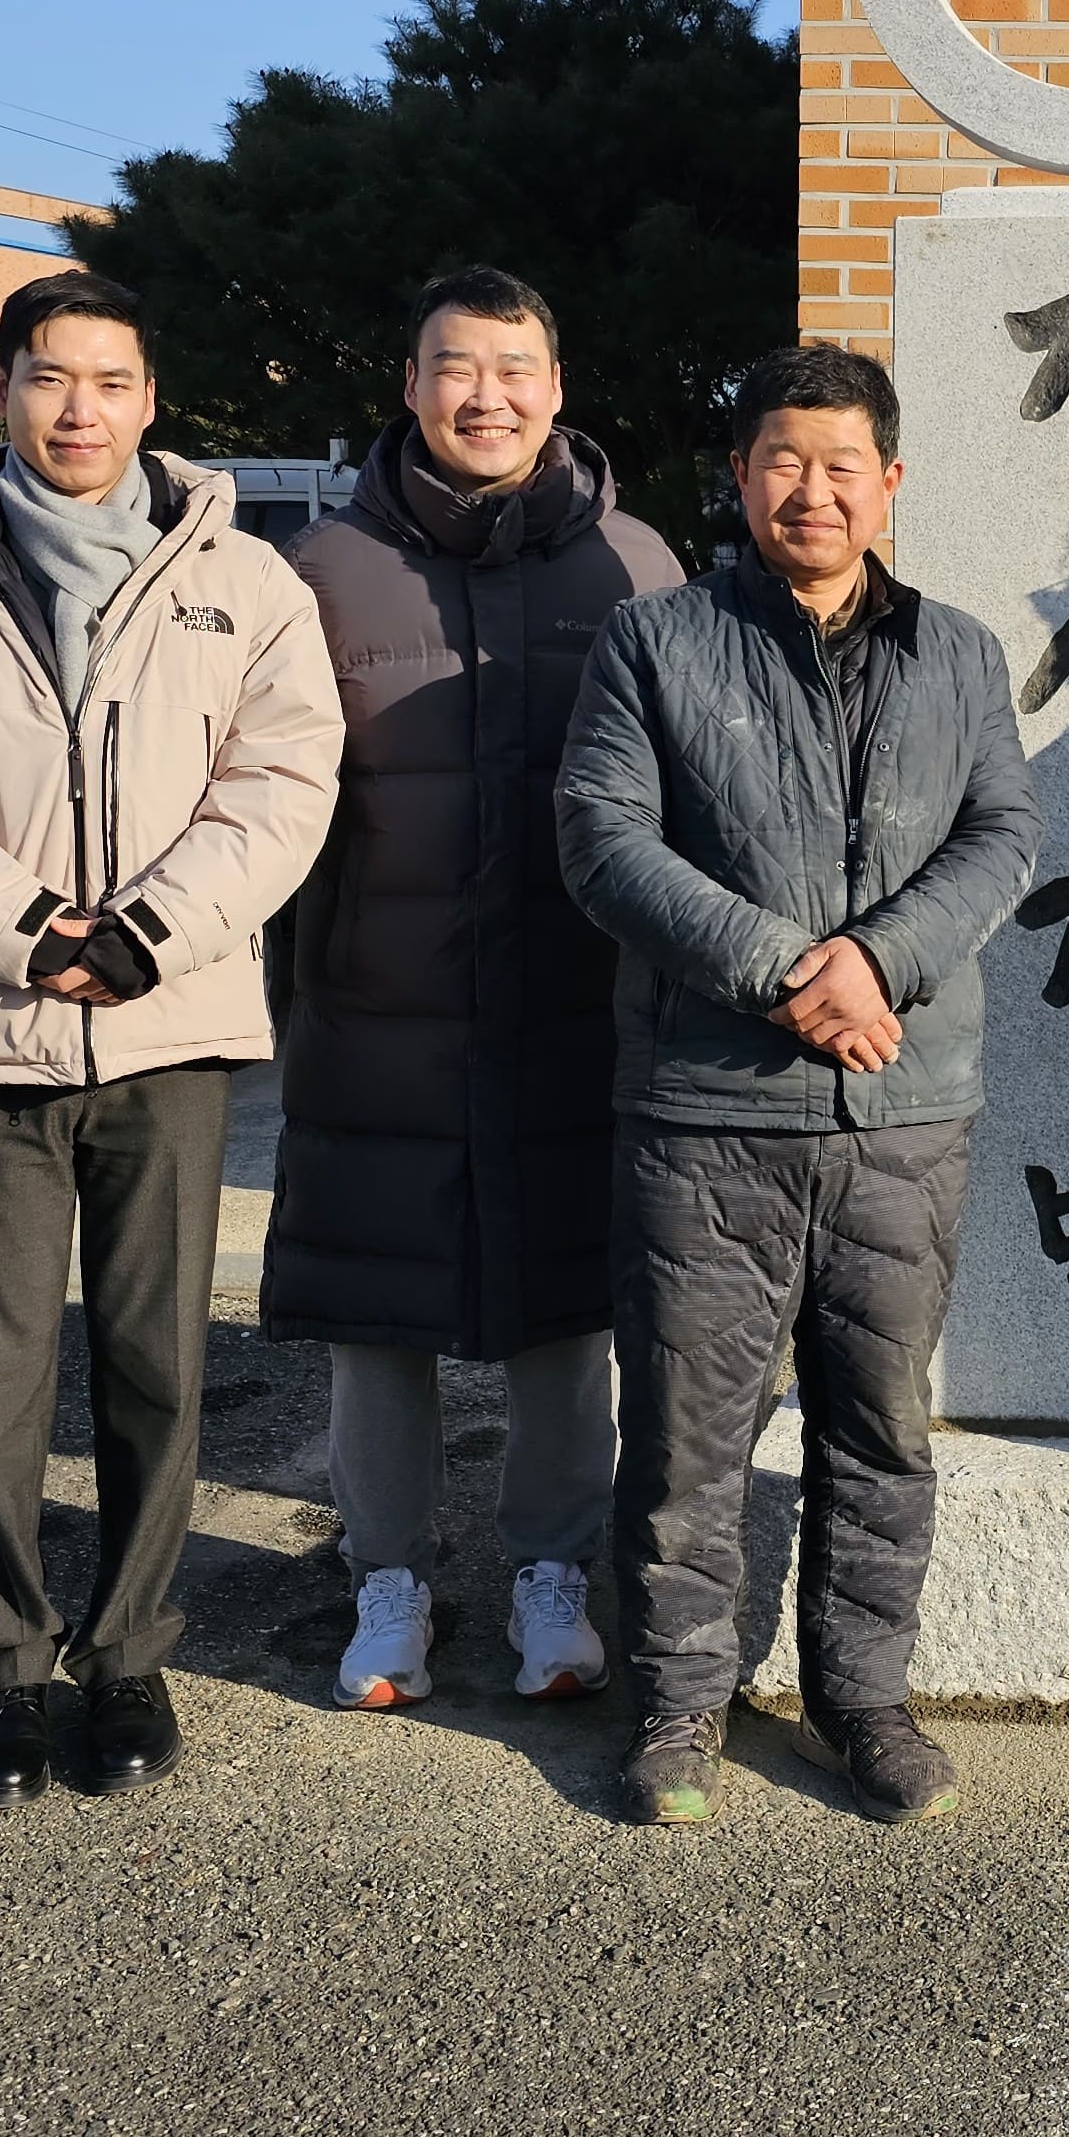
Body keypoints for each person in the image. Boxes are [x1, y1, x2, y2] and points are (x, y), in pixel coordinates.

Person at [0, 270, 343, 1812]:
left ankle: (129, 1656)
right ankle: (9, 1670)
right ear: (4, 392)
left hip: (168, 1032)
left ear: (153, 397)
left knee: (158, 1361)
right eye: (50, 378)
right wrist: (33, 932)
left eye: (110, 379)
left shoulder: (247, 581)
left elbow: (284, 783)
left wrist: (150, 933)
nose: (80, 408)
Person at [553, 343, 1040, 1830]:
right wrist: (782, 970)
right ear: (741, 476)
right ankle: (682, 1704)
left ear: (890, 482)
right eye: (783, 461)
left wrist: (877, 965)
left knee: (880, 1427)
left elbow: (1004, 832)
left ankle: (862, 1698)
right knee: (691, 1434)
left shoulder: (957, 650)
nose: (811, 491)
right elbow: (603, 836)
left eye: (842, 466)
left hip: (905, 1114)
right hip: (707, 1113)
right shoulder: (658, 643)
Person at [258, 267, 683, 1715]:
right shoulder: (318, 570)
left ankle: (551, 1574)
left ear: (558, 390)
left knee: (571, 1304)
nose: (484, 394)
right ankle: (388, 1579)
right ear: (410, 383)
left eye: (514, 367)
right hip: (378, 1008)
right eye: (456, 365)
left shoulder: (633, 564)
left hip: (579, 1002)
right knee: (378, 1309)